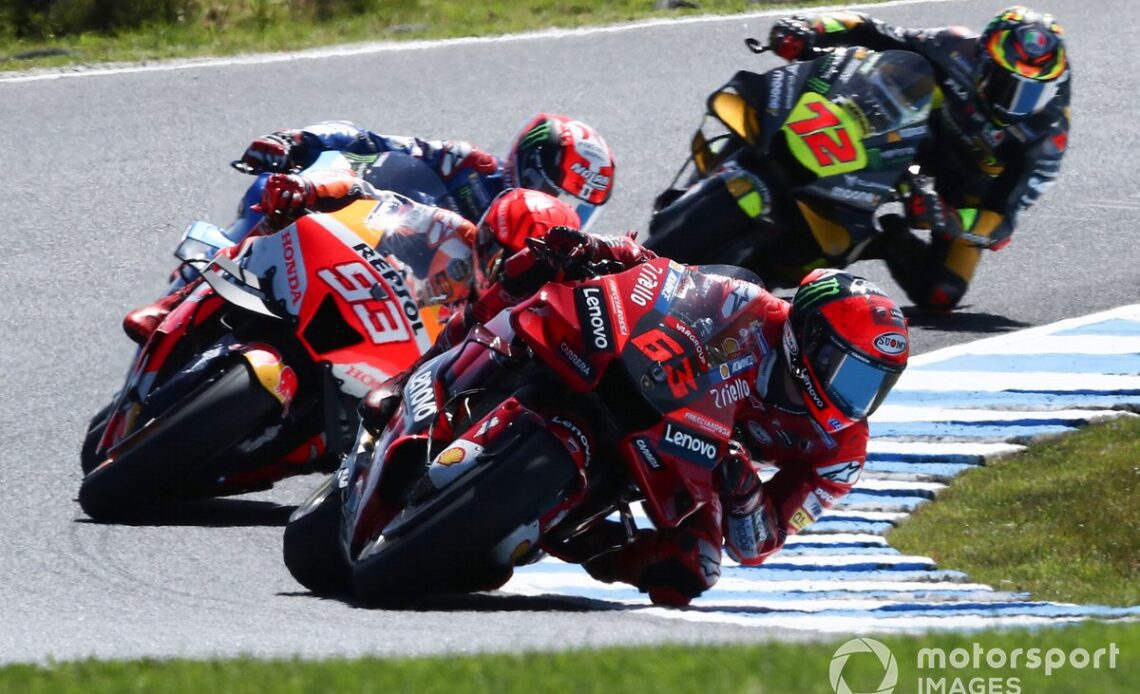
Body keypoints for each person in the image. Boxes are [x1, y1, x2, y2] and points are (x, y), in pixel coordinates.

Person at [360, 218, 910, 606]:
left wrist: (742, 488)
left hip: (700, 463)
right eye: (850, 372)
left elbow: (758, 545)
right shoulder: (753, 310)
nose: (855, 398)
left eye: (873, 385)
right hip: (660, 389)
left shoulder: (840, 453)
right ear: (808, 339)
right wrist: (605, 249)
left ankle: (595, 542)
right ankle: (414, 373)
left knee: (692, 571)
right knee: (543, 267)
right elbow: (666, 276)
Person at [768, 5, 1069, 311]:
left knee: (941, 292)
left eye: (1031, 92)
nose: (1014, 103)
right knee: (898, 75)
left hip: (970, 185)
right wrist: (811, 26)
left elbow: (1000, 223)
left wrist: (946, 217)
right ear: (984, 58)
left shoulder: (1046, 134)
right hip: (914, 133)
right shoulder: (955, 46)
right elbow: (872, 30)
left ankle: (879, 239)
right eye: (1006, 83)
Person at [239, 114, 616, 231]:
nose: (551, 208)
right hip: (352, 240)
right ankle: (203, 269)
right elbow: (375, 142)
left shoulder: (545, 264)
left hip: (412, 325)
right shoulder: (468, 166)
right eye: (548, 191)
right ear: (525, 166)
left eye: (573, 207)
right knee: (273, 187)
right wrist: (297, 140)